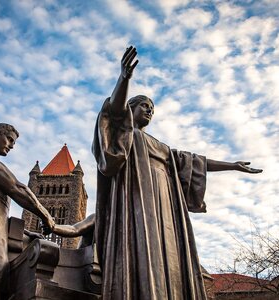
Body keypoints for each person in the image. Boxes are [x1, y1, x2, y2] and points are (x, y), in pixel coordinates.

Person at [91, 46, 262, 300]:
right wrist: (123, 79)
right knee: (140, 248)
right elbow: (114, 113)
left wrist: (232, 165)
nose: (149, 111)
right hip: (136, 199)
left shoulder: (164, 149)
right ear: (131, 108)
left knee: (167, 255)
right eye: (144, 106)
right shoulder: (125, 136)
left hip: (165, 208)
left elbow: (195, 162)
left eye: (152, 108)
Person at [0, 123, 55, 300]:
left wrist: (25, 234)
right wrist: (45, 215)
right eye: (9, 139)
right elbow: (15, 187)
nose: (12, 145)